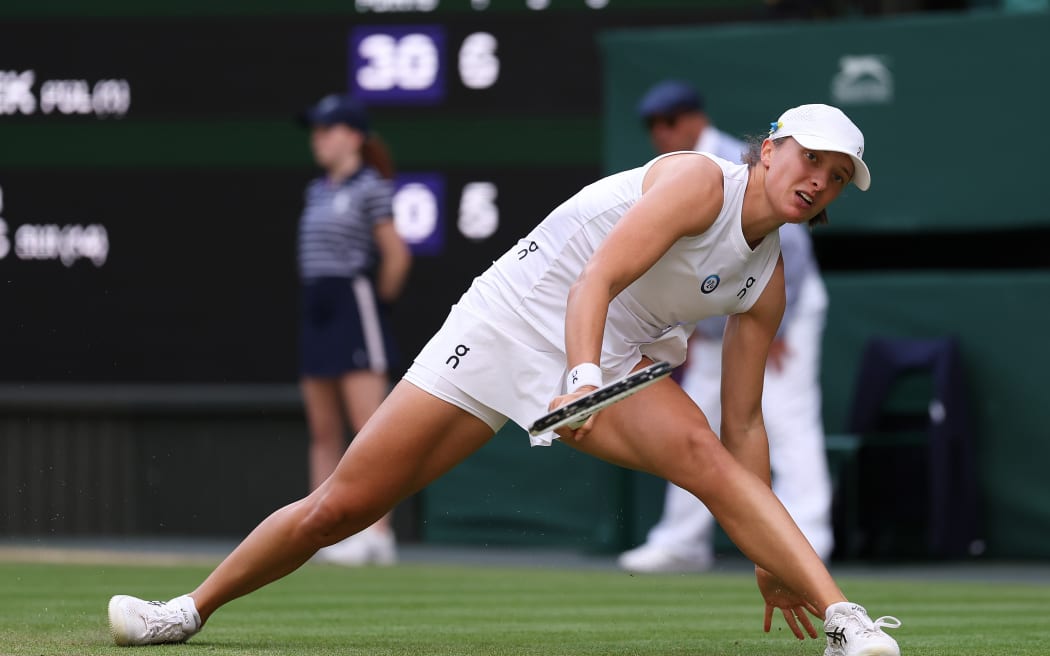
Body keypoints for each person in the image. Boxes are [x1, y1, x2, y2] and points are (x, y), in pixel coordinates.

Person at [107, 103, 902, 656]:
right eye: (809, 161)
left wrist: (771, 560)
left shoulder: (766, 284)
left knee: (703, 456)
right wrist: (580, 377)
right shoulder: (700, 182)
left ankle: (844, 618)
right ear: (770, 148)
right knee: (342, 507)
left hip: (613, 358)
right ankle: (184, 612)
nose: (817, 182)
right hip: (509, 320)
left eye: (836, 178)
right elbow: (596, 279)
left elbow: (744, 429)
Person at [620, 81, 834, 573]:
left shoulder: (731, 158)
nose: (660, 133)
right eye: (653, 126)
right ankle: (682, 542)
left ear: (694, 119)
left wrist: (775, 329)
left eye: (669, 122)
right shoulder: (679, 170)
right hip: (719, 319)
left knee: (785, 420)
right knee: (695, 421)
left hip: (781, 310)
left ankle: (808, 539)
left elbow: (791, 250)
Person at [296, 93, 412, 565]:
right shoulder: (316, 189)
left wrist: (374, 302)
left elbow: (397, 256)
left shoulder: (370, 187)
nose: (318, 140)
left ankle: (377, 534)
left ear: (353, 137)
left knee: (369, 429)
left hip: (354, 304)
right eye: (316, 131)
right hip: (316, 307)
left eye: (328, 130)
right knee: (324, 431)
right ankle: (317, 531)